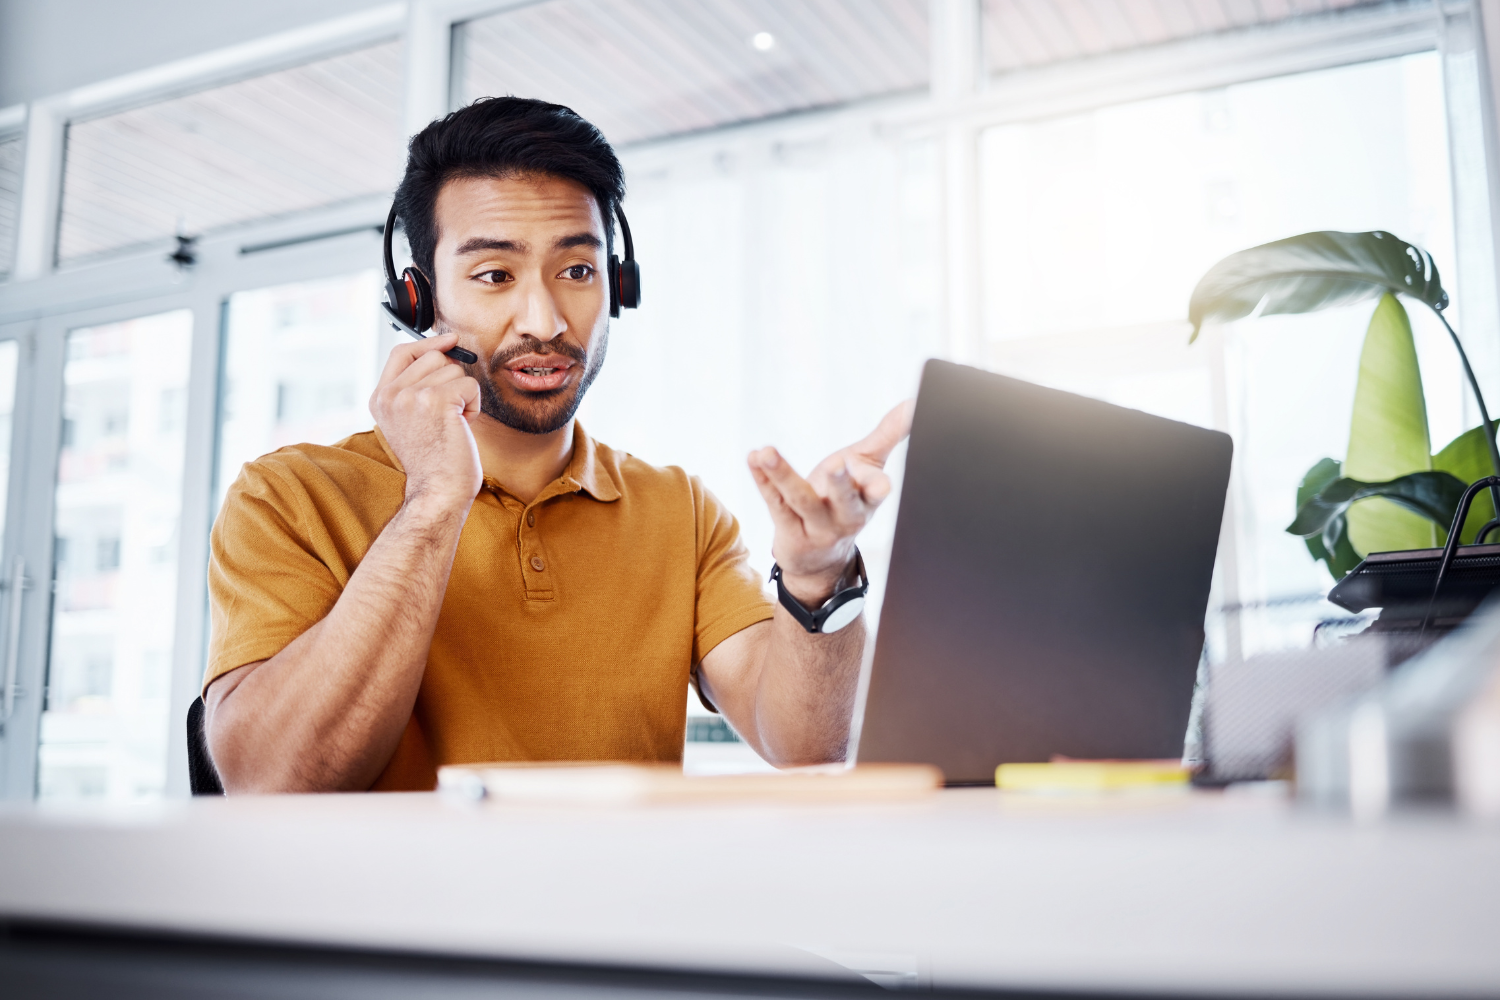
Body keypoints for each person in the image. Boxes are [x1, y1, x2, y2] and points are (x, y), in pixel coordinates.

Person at [202, 97, 911, 793]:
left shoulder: (678, 509)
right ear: (419, 297)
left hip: (612, 910)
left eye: (577, 271)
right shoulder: (288, 495)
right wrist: (434, 502)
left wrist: (820, 576)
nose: (544, 319)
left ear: (618, 285)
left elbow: (806, 745)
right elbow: (272, 781)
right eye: (494, 276)